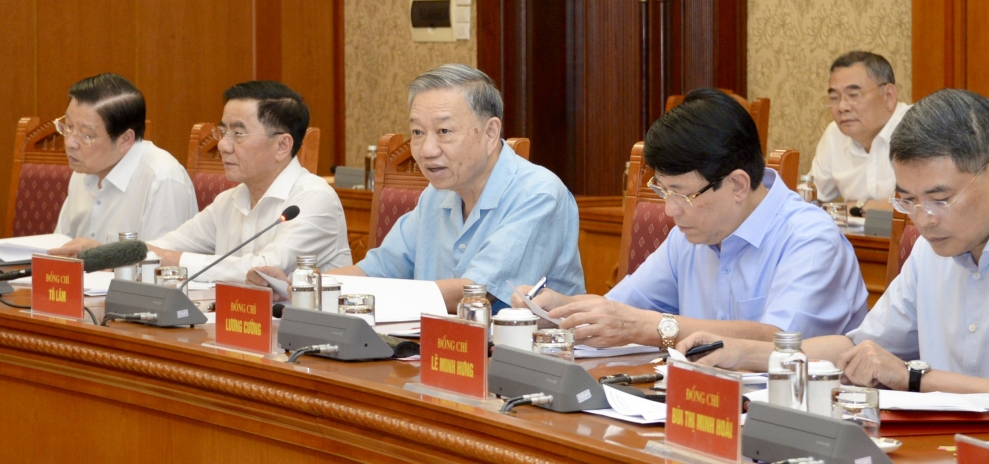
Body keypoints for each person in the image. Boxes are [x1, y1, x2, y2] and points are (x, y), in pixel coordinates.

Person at [678, 88, 989, 428]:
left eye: (939, 198)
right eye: (907, 200)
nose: (923, 220)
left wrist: (915, 379)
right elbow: (856, 350)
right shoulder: (933, 250)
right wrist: (745, 353)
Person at [518, 88, 868, 349]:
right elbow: (621, 309)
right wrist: (559, 308)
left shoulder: (810, 239)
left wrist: (650, 328)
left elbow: (779, 343)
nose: (670, 210)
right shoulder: (690, 235)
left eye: (682, 194)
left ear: (738, 185)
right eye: (663, 190)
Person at [250, 64, 585, 312]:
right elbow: (377, 270)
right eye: (418, 133)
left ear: (489, 132)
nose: (426, 150)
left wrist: (345, 292)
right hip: (436, 351)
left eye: (444, 132)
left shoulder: (538, 194)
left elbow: (474, 291)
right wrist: (305, 285)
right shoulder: (436, 194)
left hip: (524, 362)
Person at [146, 81, 351, 282]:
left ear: (282, 146)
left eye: (238, 134)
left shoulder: (314, 199)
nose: (223, 145)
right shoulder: (227, 201)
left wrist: (170, 259)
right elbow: (165, 246)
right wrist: (138, 252)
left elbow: (264, 270)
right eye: (223, 132)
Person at [48, 73, 197, 256]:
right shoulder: (82, 171)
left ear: (125, 139)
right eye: (68, 127)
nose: (70, 143)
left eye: (86, 135)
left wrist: (104, 256)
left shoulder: (162, 179)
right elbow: (62, 248)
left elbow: (162, 265)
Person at [809, 51, 910, 209]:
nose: (842, 107)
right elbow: (810, 200)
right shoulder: (834, 134)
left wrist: (860, 207)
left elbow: (925, 205)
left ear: (889, 96)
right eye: (834, 98)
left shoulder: (920, 128)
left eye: (854, 95)